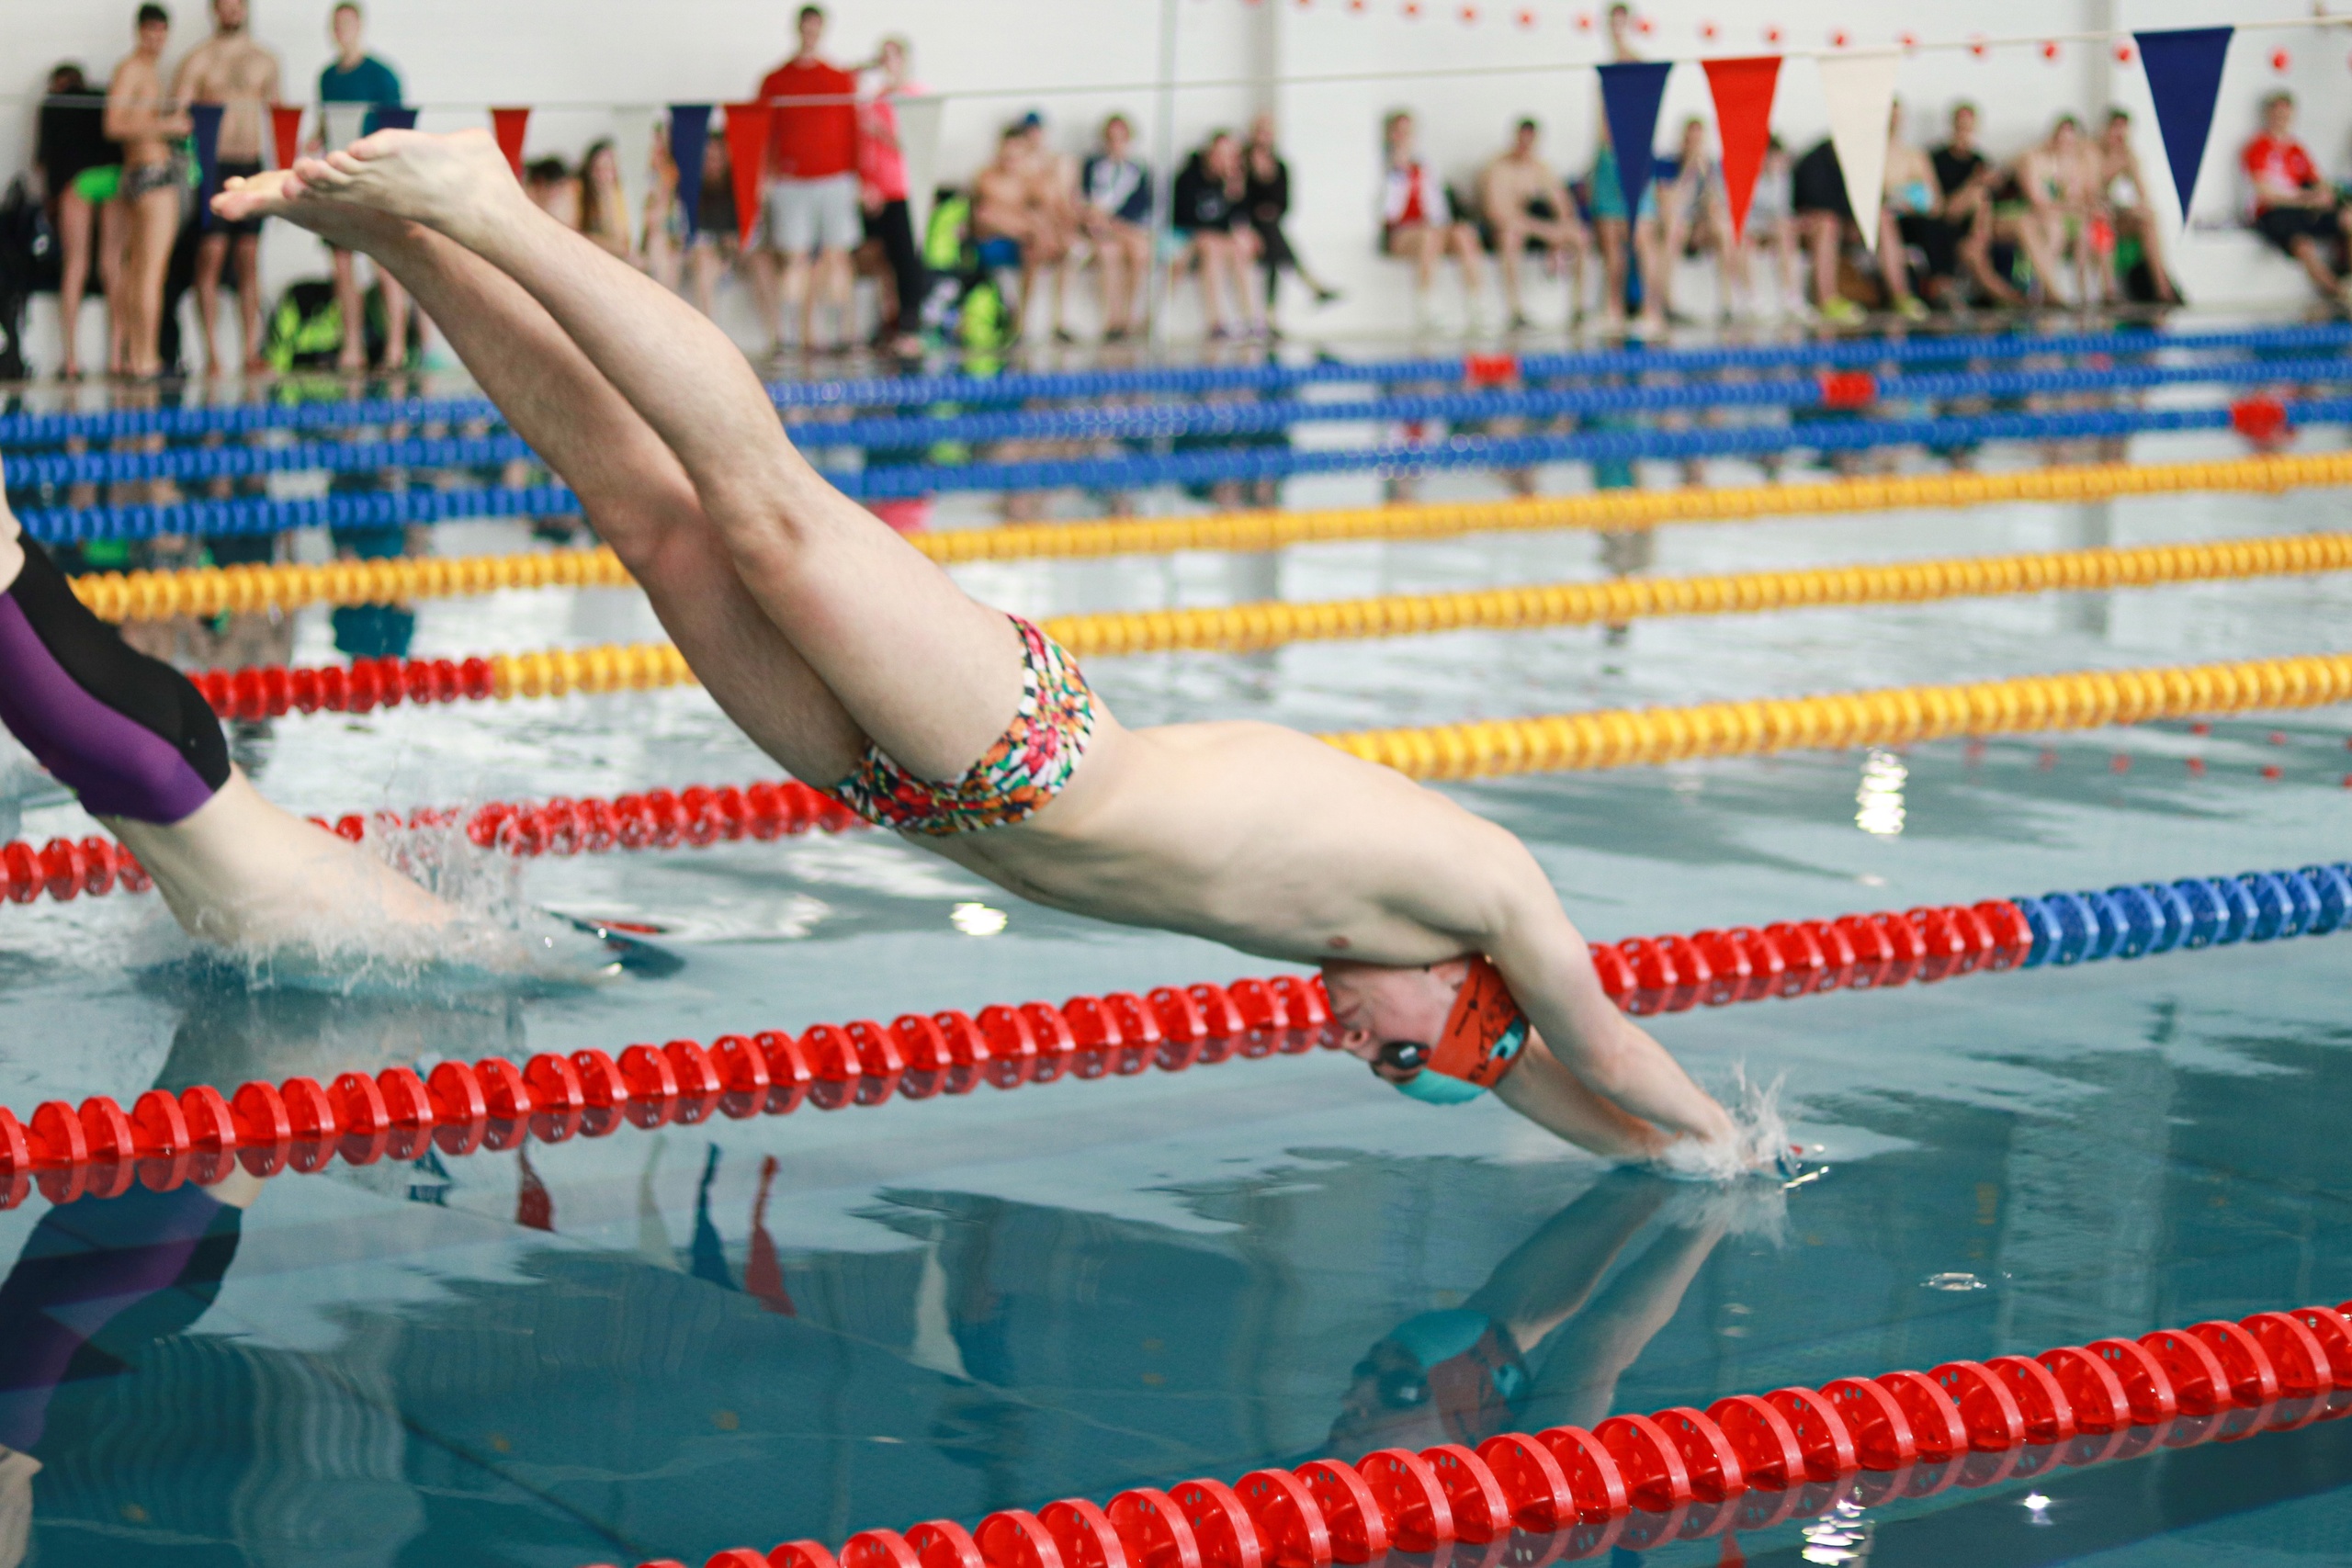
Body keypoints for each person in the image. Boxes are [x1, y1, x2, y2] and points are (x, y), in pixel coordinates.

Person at [197, 131, 1757, 1174]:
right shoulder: (1485, 891)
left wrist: (1629, 1153)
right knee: (767, 512)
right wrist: (1736, 1152)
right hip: (1026, 744)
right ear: (1468, 997)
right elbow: (1599, 1044)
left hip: (922, 794)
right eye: (1399, 1057)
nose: (1357, 1047)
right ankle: (493, 203)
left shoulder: (1373, 950)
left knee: (650, 523)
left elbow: (1540, 1082)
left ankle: (409, 243)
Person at [171, 0, 281, 375]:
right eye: (225, 5)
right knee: (211, 255)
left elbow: (279, 117)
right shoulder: (198, 59)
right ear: (214, 9)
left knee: (249, 257)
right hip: (213, 164)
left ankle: (251, 351)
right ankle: (212, 355)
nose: (232, 11)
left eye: (238, 5)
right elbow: (177, 115)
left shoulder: (266, 60)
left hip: (251, 163)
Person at [753, 4, 861, 354]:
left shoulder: (839, 77)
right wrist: (762, 178)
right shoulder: (775, 80)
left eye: (817, 28)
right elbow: (762, 134)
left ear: (822, 30)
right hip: (791, 181)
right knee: (795, 258)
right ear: (798, 29)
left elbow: (852, 131)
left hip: (835, 179)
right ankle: (789, 339)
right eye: (806, 28)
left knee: (838, 256)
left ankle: (844, 336)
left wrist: (861, 178)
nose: (811, 34)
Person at [317, 1, 409, 371]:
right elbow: (327, 125)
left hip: (373, 181)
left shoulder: (382, 75)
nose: (343, 32)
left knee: (384, 264)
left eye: (349, 24)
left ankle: (396, 349)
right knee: (341, 266)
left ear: (360, 27)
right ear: (332, 30)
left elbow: (399, 130)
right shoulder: (327, 77)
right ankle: (351, 346)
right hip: (339, 181)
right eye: (337, 25)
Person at [104, 3, 191, 379]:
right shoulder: (133, 70)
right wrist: (167, 126)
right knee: (150, 273)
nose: (156, 39)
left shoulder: (149, 72)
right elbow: (114, 125)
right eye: (150, 31)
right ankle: (147, 359)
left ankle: (138, 355)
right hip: (152, 175)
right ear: (139, 31)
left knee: (139, 271)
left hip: (142, 176)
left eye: (162, 32)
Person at [35, 63, 121, 380]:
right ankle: (116, 359)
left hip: (78, 182)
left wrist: (54, 198)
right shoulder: (104, 97)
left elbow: (44, 161)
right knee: (112, 265)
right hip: (113, 177)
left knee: (76, 264)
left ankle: (71, 360)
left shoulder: (53, 104)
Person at [1476, 118, 1589, 329]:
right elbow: (1498, 216)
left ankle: (1578, 307)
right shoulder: (1499, 169)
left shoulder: (1541, 169)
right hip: (1508, 232)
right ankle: (1515, 310)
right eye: (1521, 141)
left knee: (1580, 235)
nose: (1525, 147)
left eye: (1530, 143)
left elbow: (1565, 209)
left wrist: (1557, 241)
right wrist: (1547, 232)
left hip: (1537, 231)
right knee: (1510, 237)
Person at [972, 116, 1074, 344]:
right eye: (1007, 154)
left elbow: (1052, 207)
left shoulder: (1029, 180)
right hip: (991, 243)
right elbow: (985, 218)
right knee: (1032, 240)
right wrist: (1028, 229)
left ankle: (1046, 322)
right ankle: (1021, 323)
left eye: (1017, 155)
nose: (1011, 160)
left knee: (1044, 247)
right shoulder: (987, 178)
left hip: (1024, 243)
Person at [2241, 91, 2348, 305]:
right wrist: (2307, 199)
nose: (2282, 120)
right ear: (2268, 115)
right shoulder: (2257, 148)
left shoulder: (2296, 150)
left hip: (2301, 209)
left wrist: (2326, 194)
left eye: (2286, 115)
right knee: (2303, 245)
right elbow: (2266, 195)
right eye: (2278, 114)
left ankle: (2346, 277)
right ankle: (2338, 295)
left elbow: (2317, 181)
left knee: (2348, 218)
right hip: (2273, 213)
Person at [1381, 111, 1485, 333]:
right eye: (1399, 132)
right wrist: (1398, 173)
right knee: (1429, 236)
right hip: (1401, 234)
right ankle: (1426, 308)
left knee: (1463, 233)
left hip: (1429, 228)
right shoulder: (1385, 168)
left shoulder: (1423, 166)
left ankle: (1476, 307)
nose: (1404, 137)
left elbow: (1438, 209)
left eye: (1408, 132)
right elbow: (1389, 213)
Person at [858, 35, 927, 355]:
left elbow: (917, 146)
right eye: (882, 56)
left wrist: (880, 131)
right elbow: (865, 149)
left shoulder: (917, 97)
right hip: (878, 192)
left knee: (906, 260)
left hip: (905, 190)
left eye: (893, 56)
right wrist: (867, 184)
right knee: (882, 261)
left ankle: (911, 327)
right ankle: (891, 322)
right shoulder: (875, 98)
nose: (887, 63)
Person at [1243, 114, 1338, 328]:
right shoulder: (1243, 164)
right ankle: (1311, 284)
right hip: (1249, 226)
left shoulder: (1280, 167)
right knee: (1272, 236)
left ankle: (1271, 317)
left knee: (1273, 250)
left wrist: (1266, 179)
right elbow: (1242, 201)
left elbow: (1284, 204)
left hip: (1269, 227)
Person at [1994, 115, 2098, 308]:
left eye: (2070, 141)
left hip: (2047, 215)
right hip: (2015, 213)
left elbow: (2081, 198)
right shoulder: (2031, 158)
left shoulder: (2072, 163)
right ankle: (2046, 289)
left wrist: (2076, 205)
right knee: (2054, 228)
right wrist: (2071, 205)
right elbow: (2036, 202)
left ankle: (2083, 290)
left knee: (2085, 228)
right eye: (2061, 138)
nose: (2064, 145)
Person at [1928, 102, 2024, 308]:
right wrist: (1975, 182)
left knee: (1983, 203)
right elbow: (1944, 208)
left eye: (1968, 127)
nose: (1964, 132)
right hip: (1945, 227)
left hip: (1976, 233)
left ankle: (2007, 297)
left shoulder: (1980, 160)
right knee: (1978, 194)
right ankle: (2009, 298)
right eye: (1960, 126)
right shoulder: (1937, 159)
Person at [1172, 130, 1261, 339]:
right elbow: (1186, 218)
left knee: (1240, 248)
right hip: (1189, 238)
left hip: (1218, 240)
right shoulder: (1189, 177)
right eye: (1220, 154)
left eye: (1230, 155)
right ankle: (1215, 321)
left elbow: (1238, 222)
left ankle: (1250, 319)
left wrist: (1233, 195)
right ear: (1209, 154)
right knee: (1211, 248)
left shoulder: (1234, 180)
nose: (1225, 160)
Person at [1649, 116, 1736, 327]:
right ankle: (1667, 303)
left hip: (1699, 227)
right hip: (1675, 226)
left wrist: (1707, 176)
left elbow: (1716, 204)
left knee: (1723, 228)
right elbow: (1669, 203)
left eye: (1699, 142)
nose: (1695, 147)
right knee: (1674, 228)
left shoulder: (1711, 167)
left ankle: (1728, 303)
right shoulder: (1667, 164)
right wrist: (1689, 169)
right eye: (1691, 141)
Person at [1079, 114, 1153, 342]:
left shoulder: (1138, 171)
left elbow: (1139, 210)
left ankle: (1129, 317)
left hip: (1122, 229)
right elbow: (1084, 204)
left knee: (1140, 252)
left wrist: (1112, 224)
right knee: (1109, 252)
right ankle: (1113, 320)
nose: (1116, 144)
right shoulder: (1092, 166)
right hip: (1099, 231)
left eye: (1121, 138)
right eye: (1111, 138)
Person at [2096, 108, 2180, 307]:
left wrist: (2136, 209)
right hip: (2094, 216)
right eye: (2115, 131)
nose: (2119, 136)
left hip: (2114, 213)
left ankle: (2162, 288)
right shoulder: (2091, 153)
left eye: (2123, 131)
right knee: (2101, 218)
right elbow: (2090, 193)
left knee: (2149, 219)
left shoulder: (2128, 157)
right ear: (2104, 131)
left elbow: (2143, 195)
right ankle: (2109, 292)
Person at [577, 139, 632, 262]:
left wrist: (608, 198)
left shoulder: (617, 195)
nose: (603, 175)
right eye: (598, 168)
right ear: (589, 171)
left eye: (608, 168)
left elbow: (621, 245)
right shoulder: (580, 192)